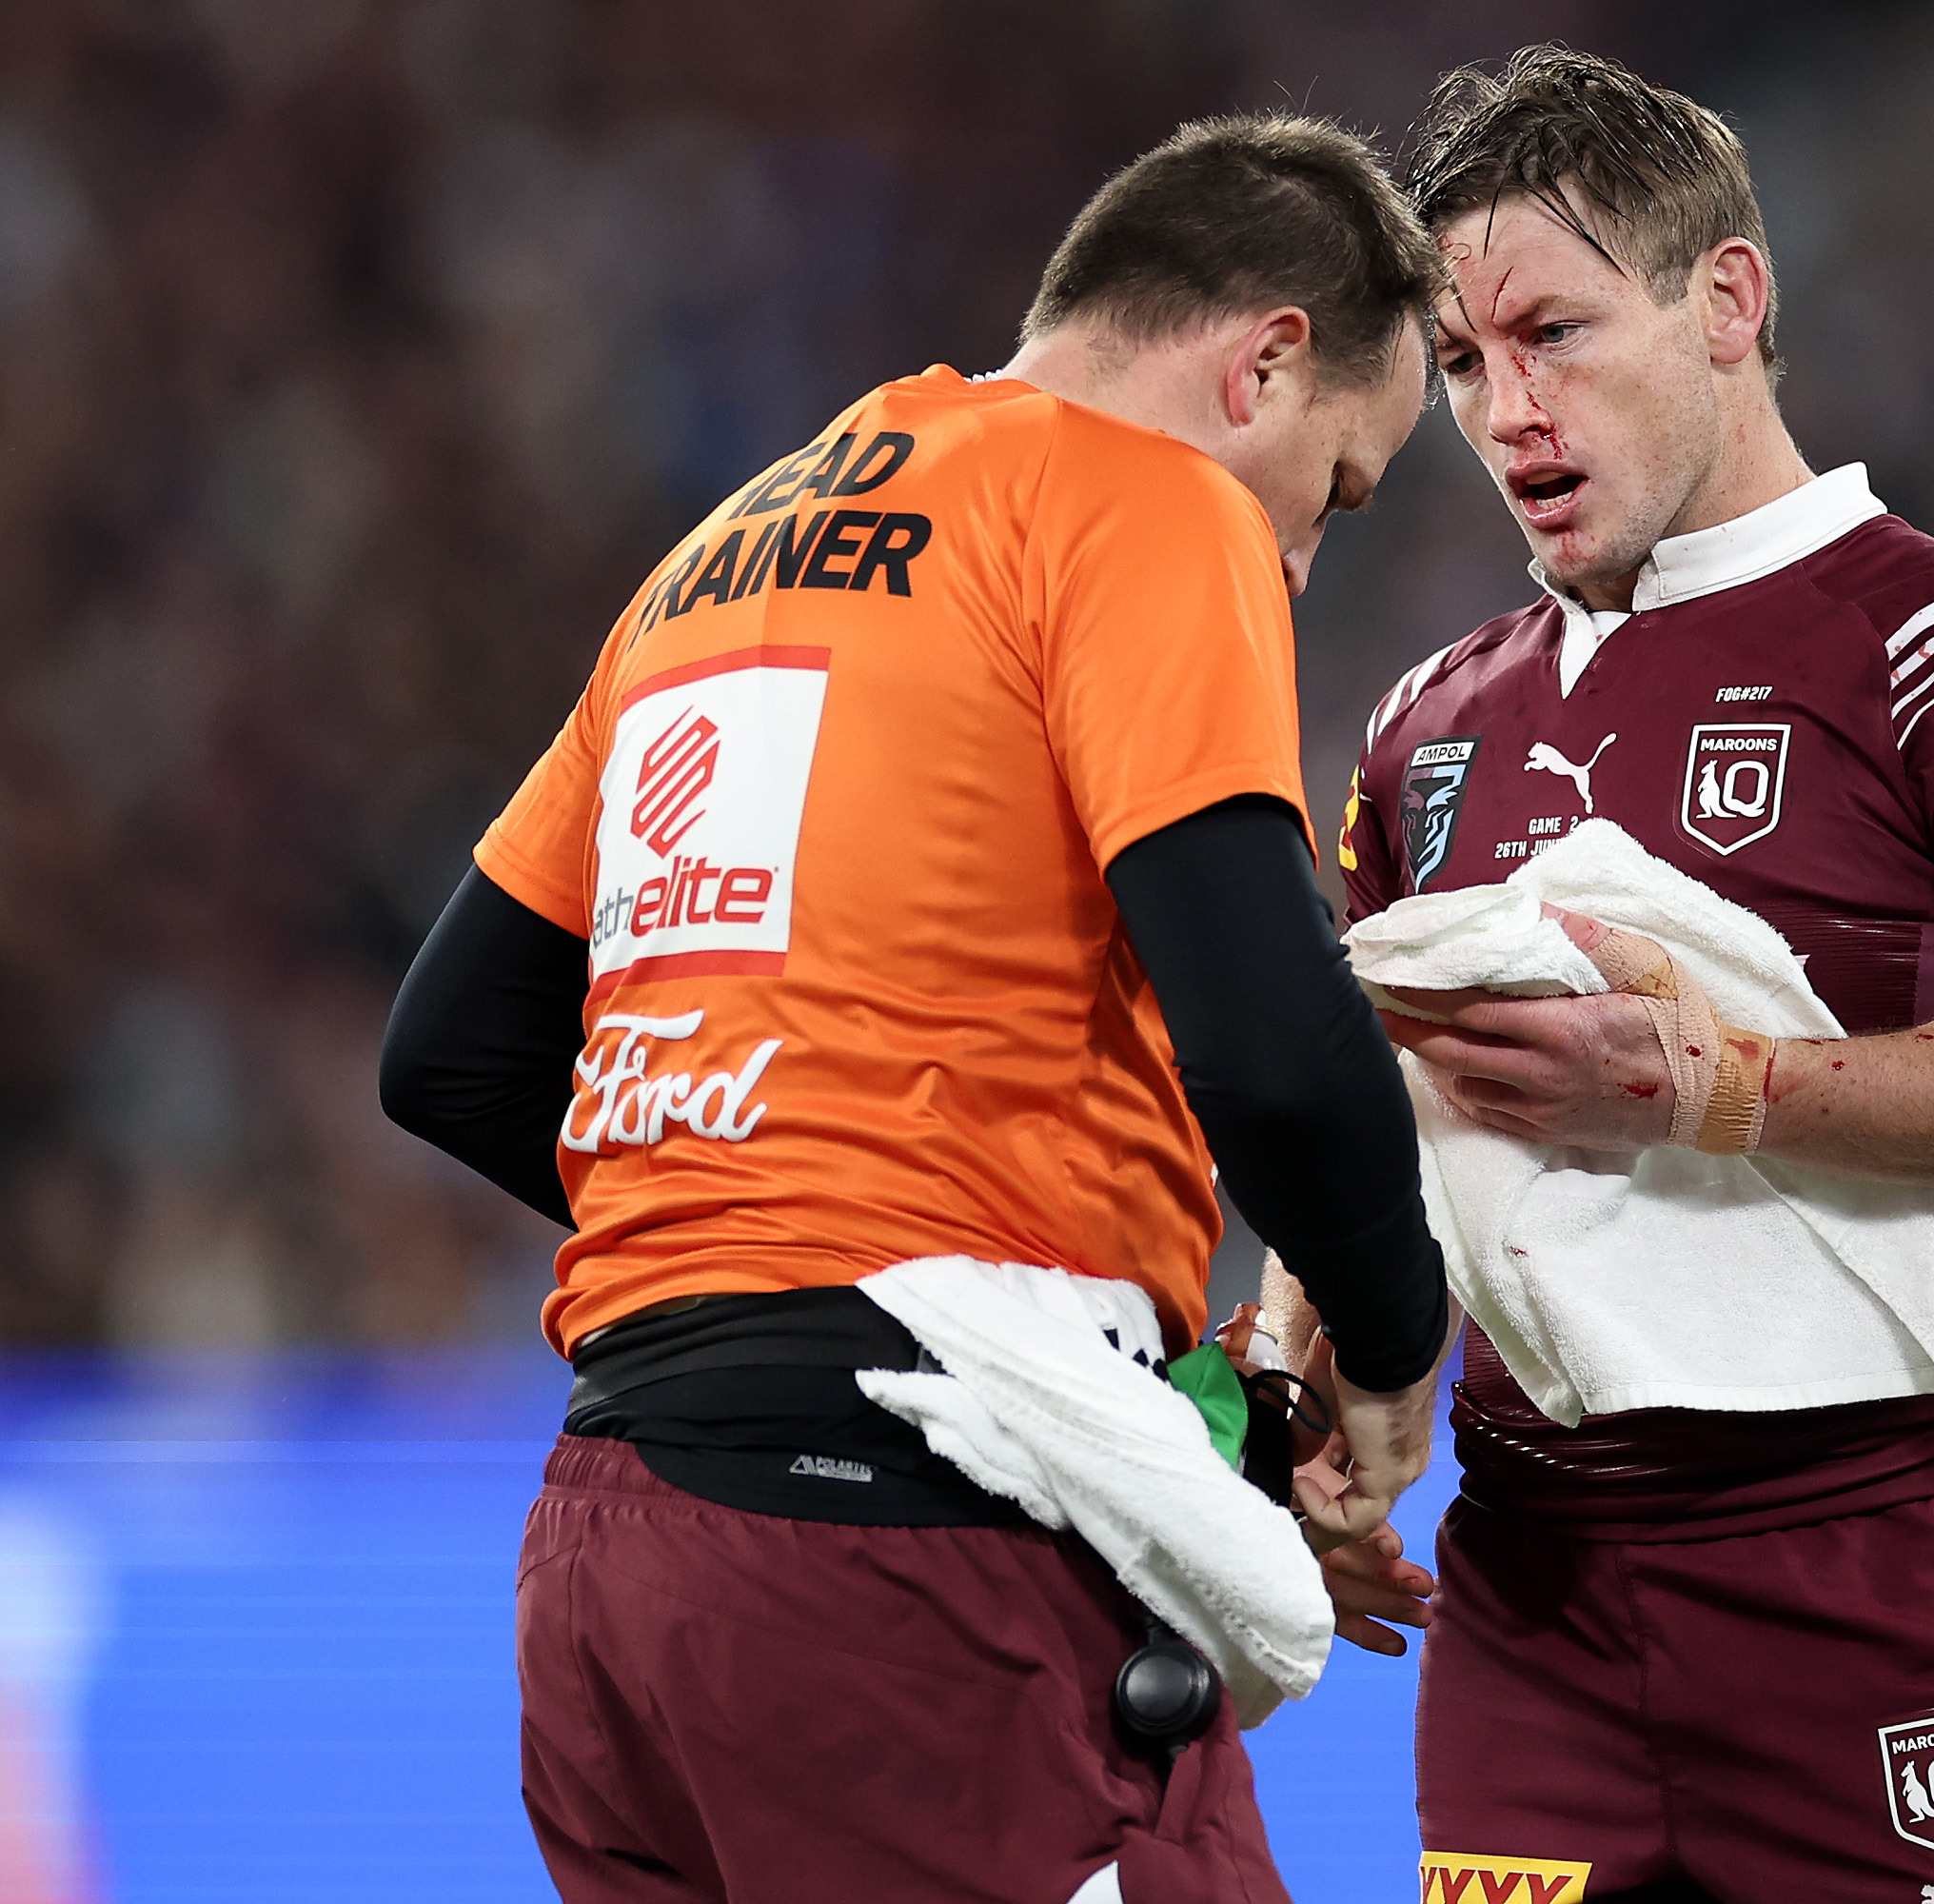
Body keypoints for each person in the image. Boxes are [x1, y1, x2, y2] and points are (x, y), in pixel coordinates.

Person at [379, 114, 1455, 1904]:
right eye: (1336, 492)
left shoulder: (717, 561)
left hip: (611, 1569)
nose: (1305, 562)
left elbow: (453, 1055)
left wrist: (807, 1237)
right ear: (1263, 360)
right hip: (908, 1567)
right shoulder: (1142, 499)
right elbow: (1278, 1052)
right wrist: (1398, 1356)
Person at [1281, 48, 1934, 1903]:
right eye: (1466, 364)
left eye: (1553, 332)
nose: (1505, 409)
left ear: (1728, 300)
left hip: (1892, 1571)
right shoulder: (1421, 730)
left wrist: (1718, 1087)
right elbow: (1385, 1146)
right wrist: (1330, 1402)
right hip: (1535, 1610)